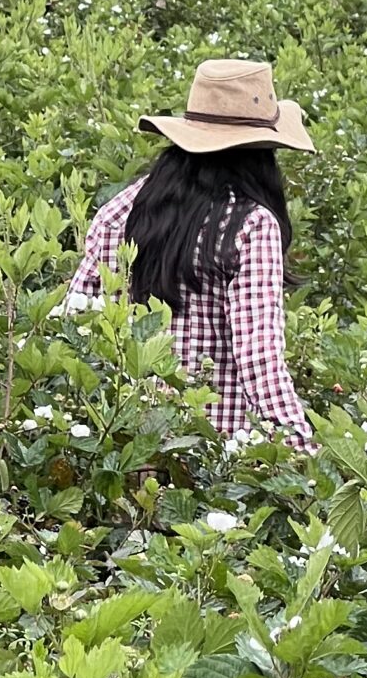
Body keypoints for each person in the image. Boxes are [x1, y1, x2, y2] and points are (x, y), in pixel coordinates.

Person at [64, 58, 317, 452]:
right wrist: (302, 451)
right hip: (210, 455)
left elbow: (73, 320)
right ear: (263, 151)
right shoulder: (251, 225)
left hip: (120, 444)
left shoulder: (119, 210)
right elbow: (259, 361)